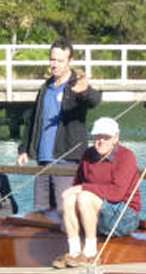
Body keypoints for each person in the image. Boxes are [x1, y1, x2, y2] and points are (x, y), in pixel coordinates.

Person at [17, 37, 101, 213]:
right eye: (52, 59)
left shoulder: (76, 84)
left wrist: (85, 91)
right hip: (43, 160)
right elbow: (33, 120)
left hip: (67, 160)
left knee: (65, 211)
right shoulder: (45, 87)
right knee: (41, 212)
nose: (54, 64)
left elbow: (94, 100)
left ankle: (71, 241)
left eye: (60, 61)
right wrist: (24, 149)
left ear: (70, 61)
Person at [53, 117, 141, 269]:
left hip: (123, 215)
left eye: (106, 137)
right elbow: (77, 186)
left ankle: (90, 253)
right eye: (97, 137)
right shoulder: (88, 155)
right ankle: (74, 253)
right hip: (94, 211)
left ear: (116, 138)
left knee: (84, 196)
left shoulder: (126, 156)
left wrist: (84, 188)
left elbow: (117, 193)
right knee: (69, 198)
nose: (101, 141)